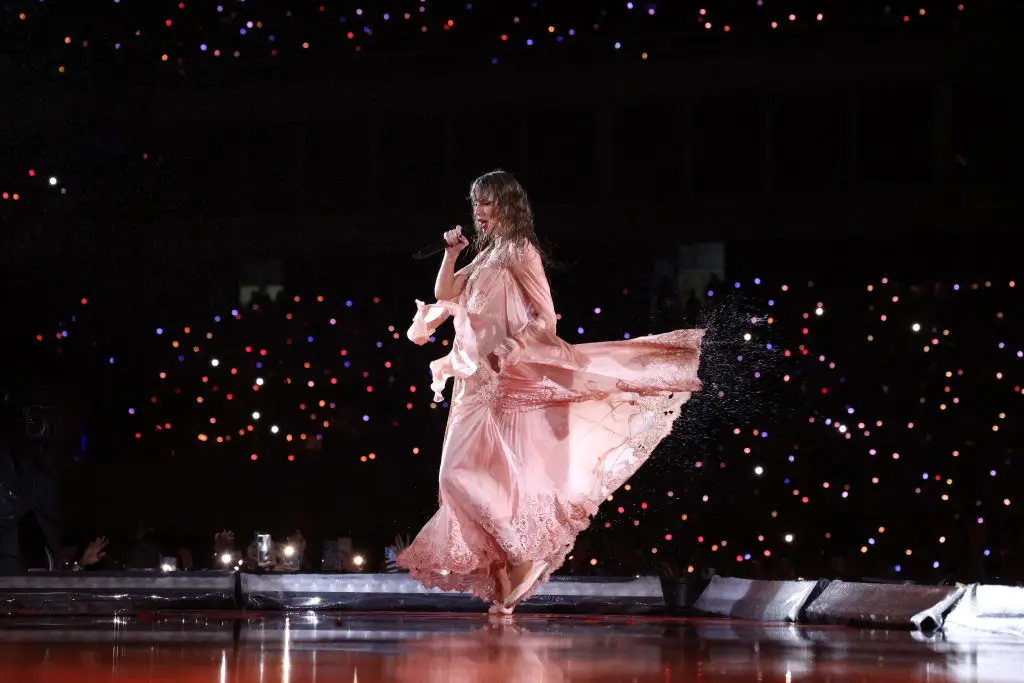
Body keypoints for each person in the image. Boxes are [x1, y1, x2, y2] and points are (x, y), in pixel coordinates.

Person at [397, 170, 703, 614]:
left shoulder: (520, 251)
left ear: (507, 205)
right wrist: (451, 253)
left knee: (485, 477)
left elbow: (546, 318)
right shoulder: (486, 257)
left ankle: (518, 558)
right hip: (473, 383)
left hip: (507, 381)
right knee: (453, 479)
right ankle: (504, 564)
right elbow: (445, 292)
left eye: (487, 203)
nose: (479, 212)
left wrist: (512, 345)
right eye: (476, 204)